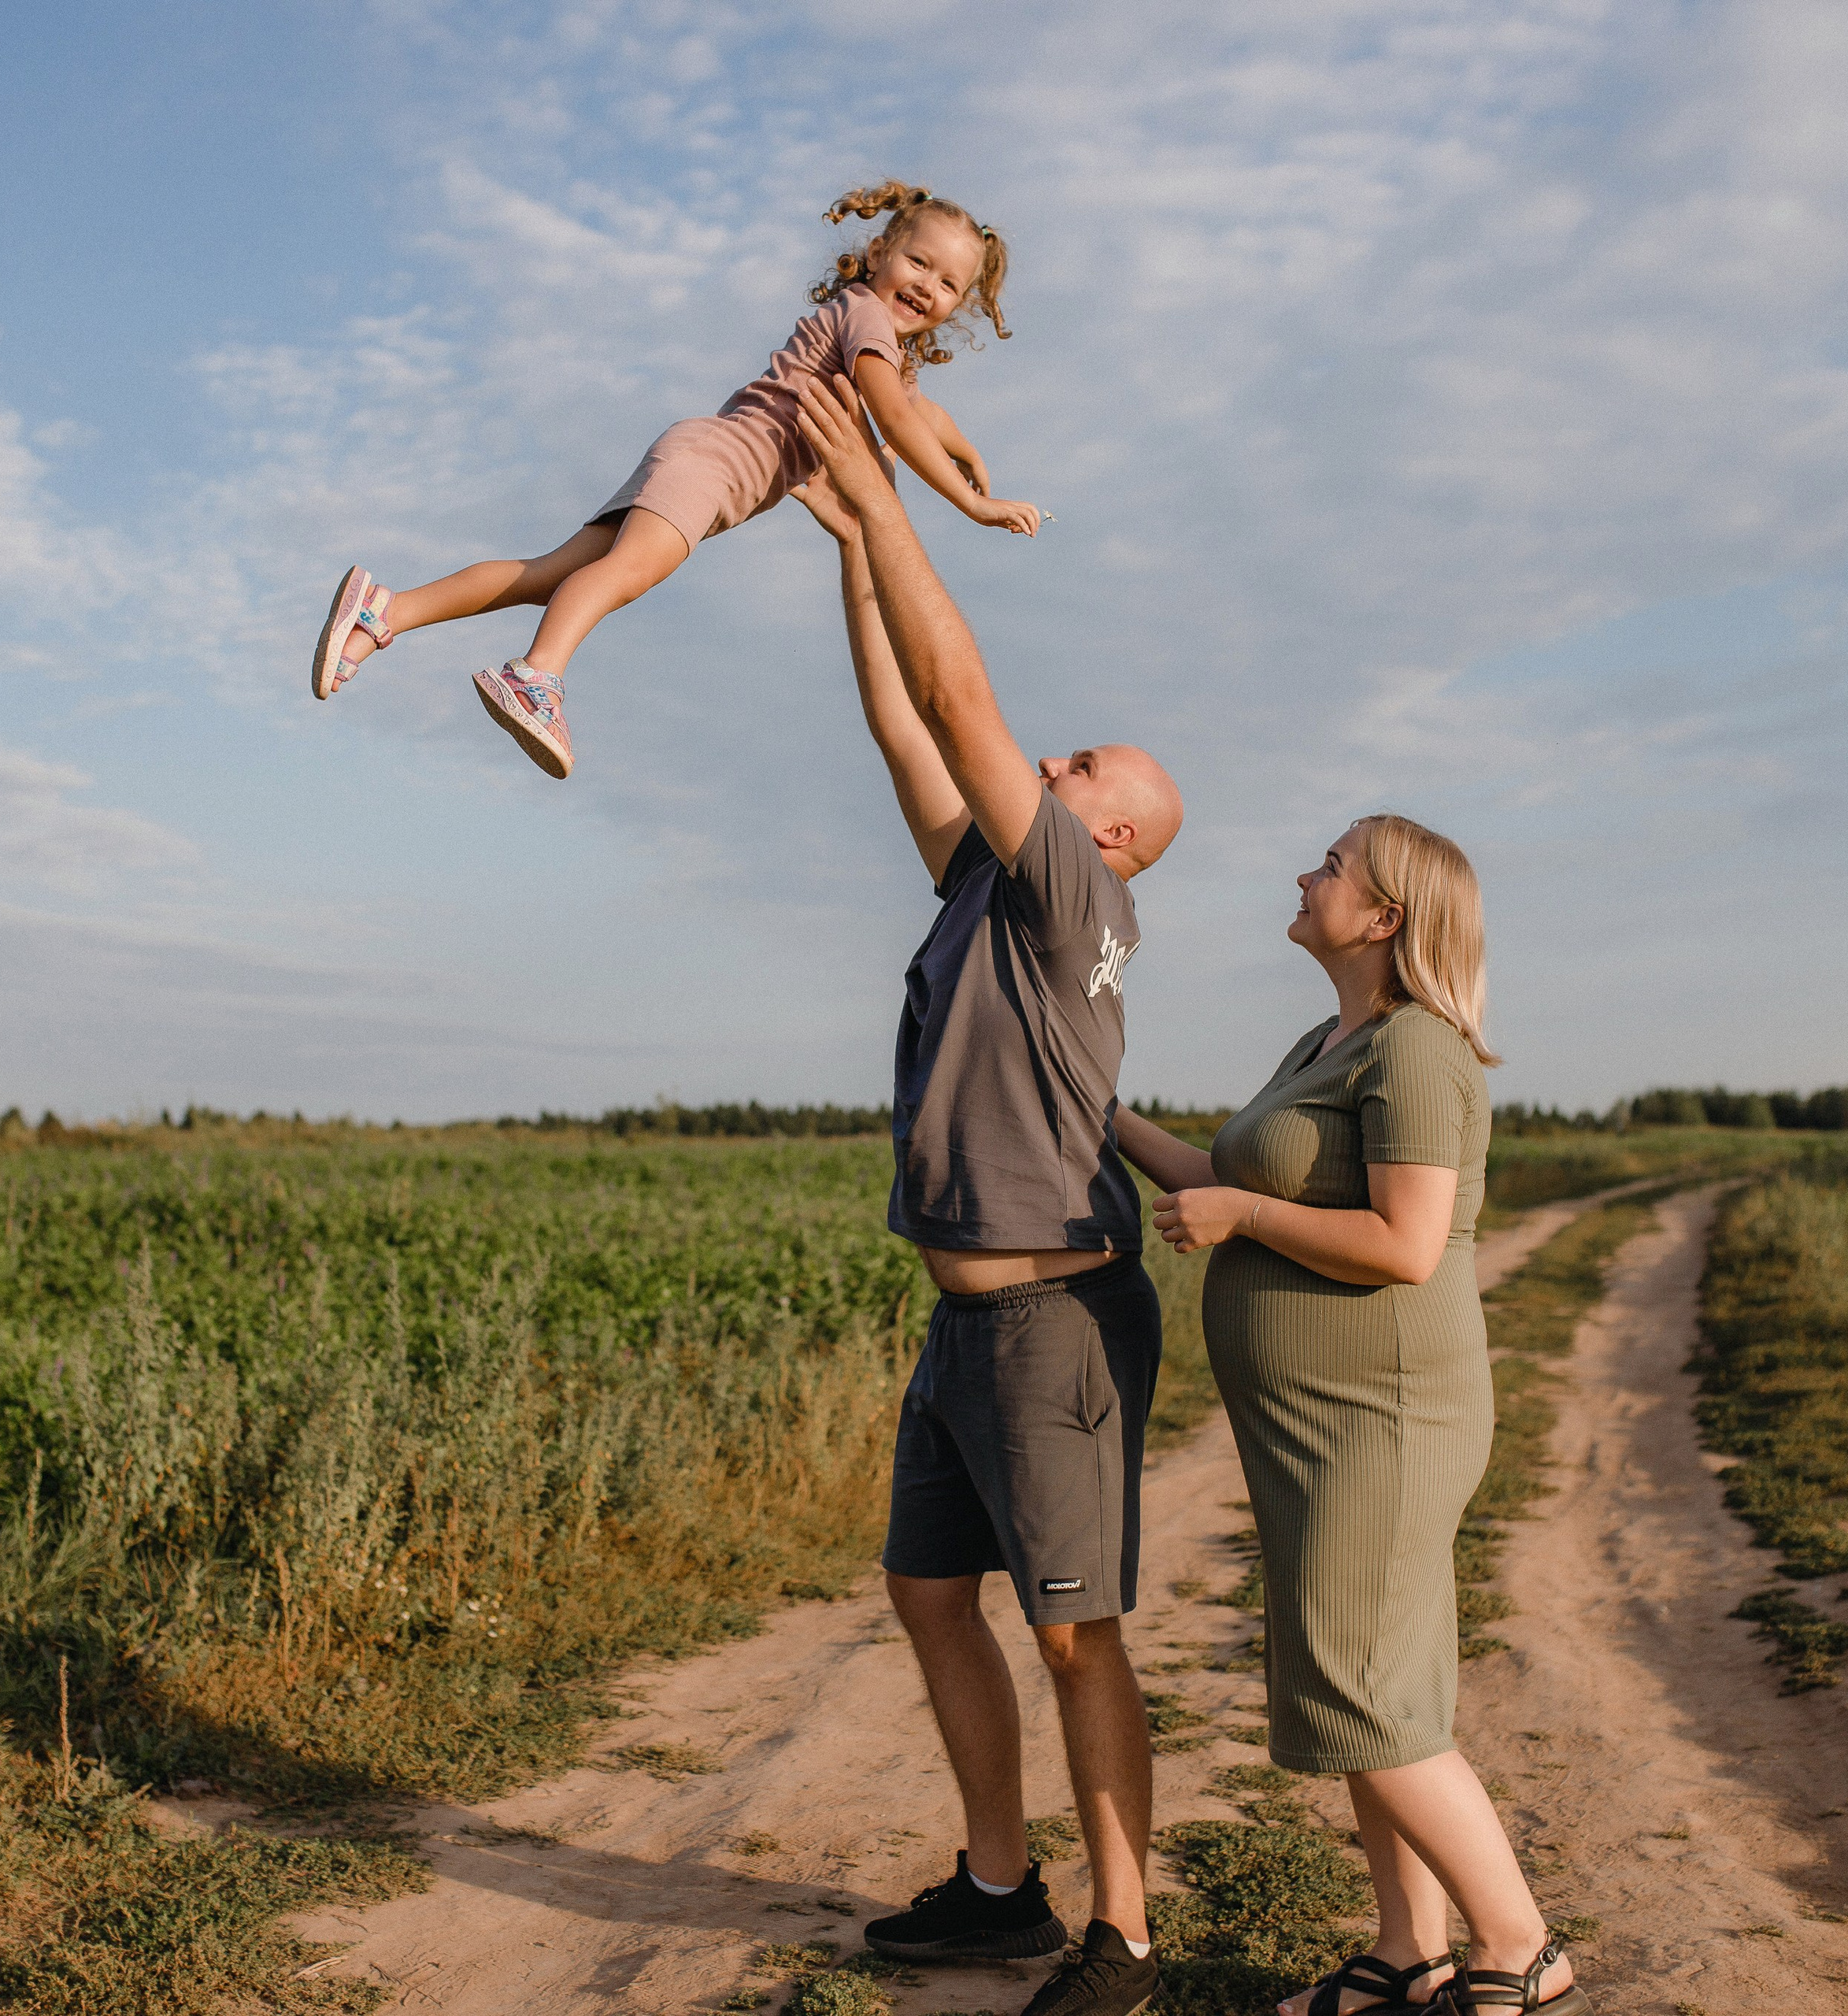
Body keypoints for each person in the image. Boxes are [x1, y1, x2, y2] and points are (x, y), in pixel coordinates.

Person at [791, 369, 1183, 2016]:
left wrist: (893, 504)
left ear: (1109, 831)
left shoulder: (1074, 892)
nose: (1052, 749)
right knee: (925, 1588)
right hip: (964, 1323)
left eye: (1082, 758)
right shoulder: (985, 882)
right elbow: (907, 723)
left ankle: (1125, 1940)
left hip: (1052, 1322)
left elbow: (960, 701)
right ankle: (995, 1886)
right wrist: (848, 547)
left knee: (1075, 1629)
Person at [1114, 817, 1591, 2016]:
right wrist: (1098, 1114)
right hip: (1318, 1424)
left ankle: (1520, 1945)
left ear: (1386, 918)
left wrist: (1245, 1222)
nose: (1303, 874)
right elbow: (1224, 1179)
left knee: (1362, 1690)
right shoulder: (1329, 1039)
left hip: (1380, 1420)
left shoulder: (1418, 1051)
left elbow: (1406, 1246)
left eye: (1329, 866)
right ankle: (1407, 1953)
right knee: (1382, 1690)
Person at [309, 180, 1039, 780]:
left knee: (548, 573)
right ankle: (537, 674)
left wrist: (970, 451)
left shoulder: (875, 339)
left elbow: (921, 412)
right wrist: (972, 503)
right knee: (628, 572)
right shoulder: (867, 319)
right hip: (711, 470)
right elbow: (898, 421)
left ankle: (386, 611)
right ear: (879, 253)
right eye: (919, 264)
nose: (929, 287)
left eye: (950, 284)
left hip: (698, 458)